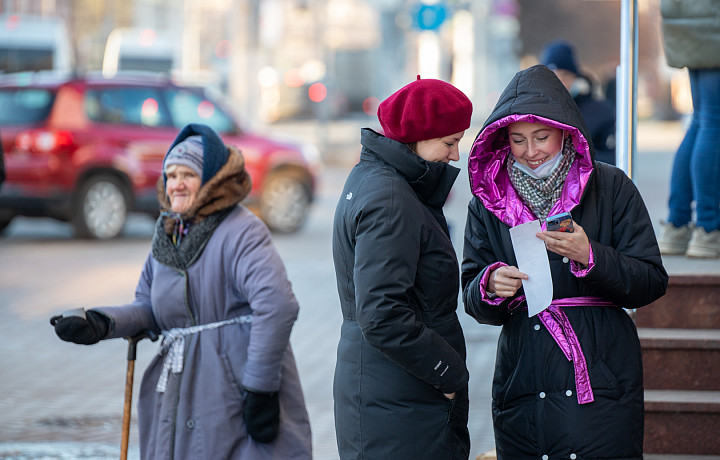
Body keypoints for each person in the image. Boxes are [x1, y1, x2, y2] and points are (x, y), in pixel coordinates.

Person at [50, 124, 312, 459]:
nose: (176, 184)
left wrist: (259, 388)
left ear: (212, 180)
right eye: (170, 175)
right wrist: (101, 323)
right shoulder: (169, 232)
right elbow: (149, 306)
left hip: (233, 381)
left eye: (187, 174)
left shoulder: (243, 231)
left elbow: (277, 306)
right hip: (182, 381)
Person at [461, 65, 668, 460]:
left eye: (542, 136)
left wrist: (590, 257)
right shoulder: (487, 201)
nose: (531, 151)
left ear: (565, 130)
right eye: (518, 140)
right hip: (524, 368)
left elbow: (651, 280)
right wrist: (489, 286)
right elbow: (471, 294)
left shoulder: (612, 186)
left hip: (601, 364)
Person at [332, 76, 472, 459]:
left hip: (391, 390)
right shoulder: (392, 198)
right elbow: (381, 313)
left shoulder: (380, 179)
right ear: (418, 136)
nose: (456, 155)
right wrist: (449, 373)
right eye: (450, 142)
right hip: (402, 397)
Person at [657, 0, 720, 258]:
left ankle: (678, 225)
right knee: (712, 122)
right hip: (711, 19)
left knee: (703, 120)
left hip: (693, 20)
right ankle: (708, 229)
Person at [540, 39, 617, 165]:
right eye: (552, 76)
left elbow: (613, 158)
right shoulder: (533, 112)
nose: (559, 83)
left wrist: (573, 157)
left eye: (565, 76)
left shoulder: (602, 112)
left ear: (576, 78)